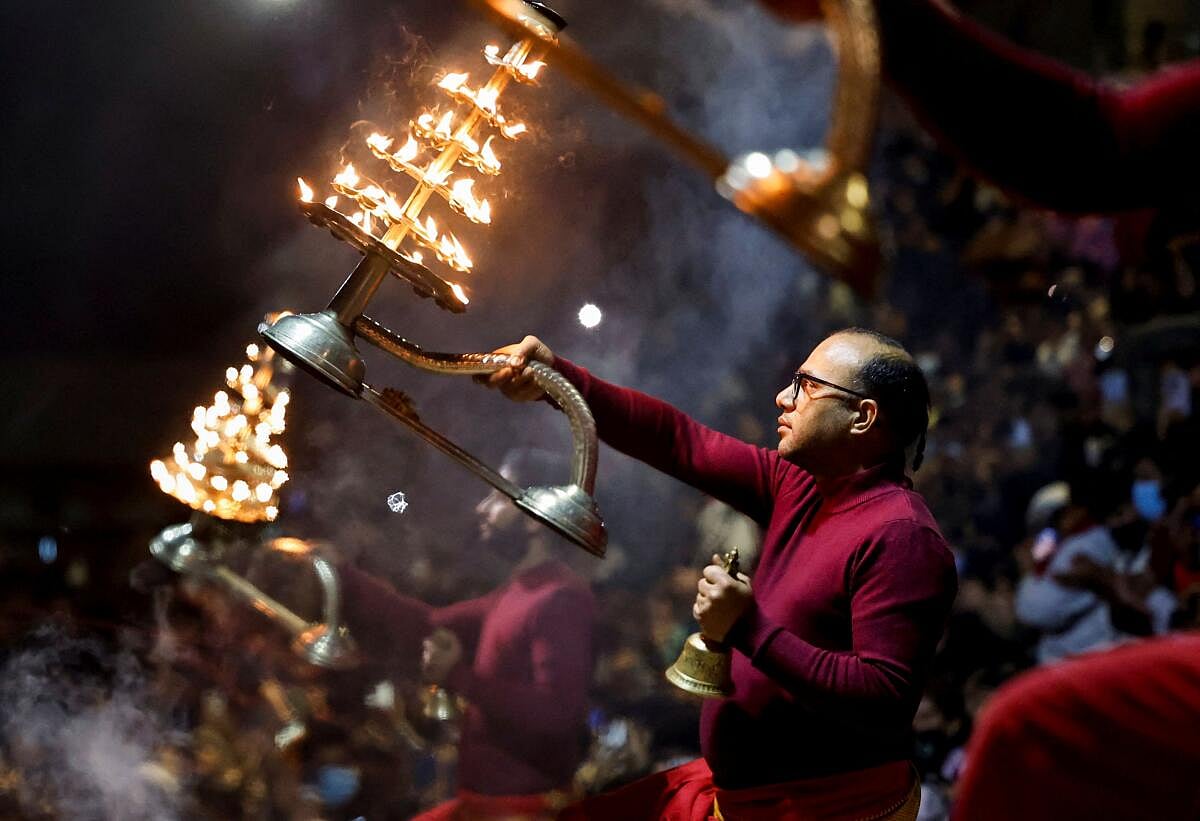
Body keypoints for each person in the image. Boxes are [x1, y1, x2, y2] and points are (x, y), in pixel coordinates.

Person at [481, 329, 957, 820]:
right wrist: (560, 380)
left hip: (823, 809)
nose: (783, 397)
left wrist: (747, 627)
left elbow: (883, 698)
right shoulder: (798, 483)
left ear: (863, 417)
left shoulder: (902, 536)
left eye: (807, 385)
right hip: (736, 796)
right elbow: (679, 440)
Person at [337, 450, 595, 821]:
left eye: (496, 497)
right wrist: (342, 573)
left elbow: (556, 714)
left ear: (535, 518)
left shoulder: (560, 598)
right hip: (481, 806)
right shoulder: (518, 590)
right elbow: (429, 622)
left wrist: (457, 676)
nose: (481, 508)